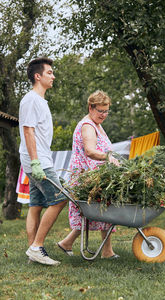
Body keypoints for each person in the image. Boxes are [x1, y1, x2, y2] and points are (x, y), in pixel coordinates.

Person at [57, 90, 120, 259]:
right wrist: (108, 157)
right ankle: (105, 251)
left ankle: (68, 243)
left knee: (95, 212)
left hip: (94, 175)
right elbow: (90, 151)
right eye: (100, 111)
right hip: (86, 176)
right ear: (91, 108)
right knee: (100, 211)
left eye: (106, 111)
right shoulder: (88, 126)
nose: (104, 114)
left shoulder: (96, 124)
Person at [19, 57, 67, 266]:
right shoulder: (31, 99)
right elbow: (28, 131)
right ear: (38, 76)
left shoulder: (39, 100)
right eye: (49, 72)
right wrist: (36, 162)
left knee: (36, 205)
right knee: (61, 199)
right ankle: (37, 246)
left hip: (37, 159)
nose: (53, 76)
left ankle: (33, 253)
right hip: (37, 161)